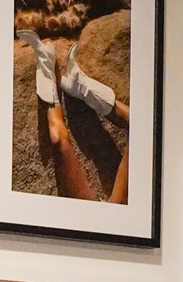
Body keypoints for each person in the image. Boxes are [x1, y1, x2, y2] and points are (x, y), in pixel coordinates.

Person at [16, 30, 128, 203]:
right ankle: (81, 87)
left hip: (94, 220)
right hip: (117, 218)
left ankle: (57, 79)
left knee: (58, 139)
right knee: (146, 130)